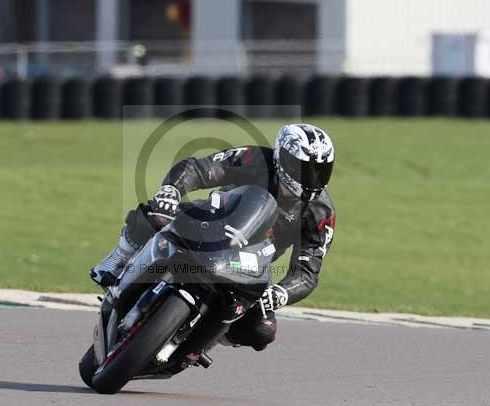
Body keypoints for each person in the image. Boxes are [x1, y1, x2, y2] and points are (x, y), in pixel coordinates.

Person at [90, 123, 336, 351]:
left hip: (249, 264)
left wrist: (281, 293)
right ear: (282, 159)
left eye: (319, 172)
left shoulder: (321, 212)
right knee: (156, 214)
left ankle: (208, 338)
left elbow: (307, 270)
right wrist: (171, 191)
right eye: (303, 169)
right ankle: (117, 260)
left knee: (261, 330)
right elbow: (201, 169)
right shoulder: (255, 159)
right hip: (210, 224)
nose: (311, 179)